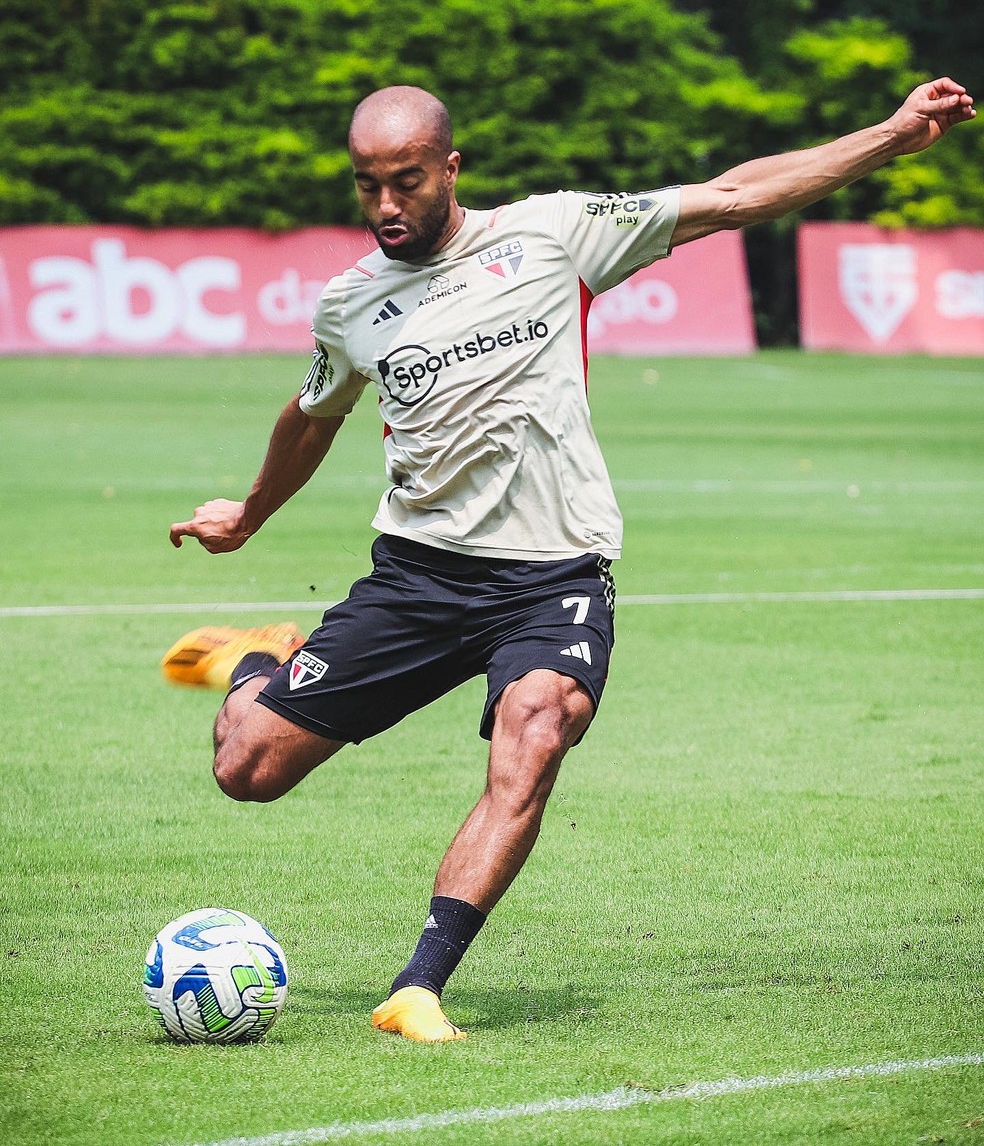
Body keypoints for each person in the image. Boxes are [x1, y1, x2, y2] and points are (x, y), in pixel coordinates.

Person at [164, 78, 975, 1042]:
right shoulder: (351, 305)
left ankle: (418, 985)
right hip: (419, 575)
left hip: (552, 577)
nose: (385, 206)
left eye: (407, 182)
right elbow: (311, 414)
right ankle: (264, 663)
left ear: (451, 169)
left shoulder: (552, 234)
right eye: (366, 186)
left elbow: (732, 196)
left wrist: (887, 137)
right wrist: (249, 515)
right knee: (246, 769)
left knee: (538, 727)